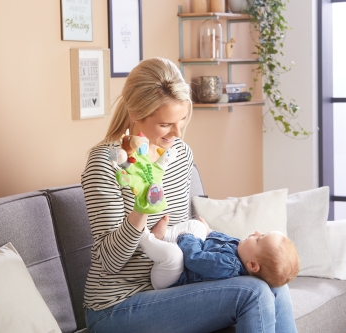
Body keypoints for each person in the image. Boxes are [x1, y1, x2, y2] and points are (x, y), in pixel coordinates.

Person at [81, 57, 298, 333]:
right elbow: (109, 263)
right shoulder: (106, 163)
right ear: (135, 114)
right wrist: (141, 210)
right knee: (252, 292)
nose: (177, 132)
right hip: (116, 305)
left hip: (173, 286)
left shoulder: (180, 154)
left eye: (182, 120)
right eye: (165, 124)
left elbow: (185, 239)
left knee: (274, 284)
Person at [139, 218, 300, 290]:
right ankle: (164, 236)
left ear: (252, 265)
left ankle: (143, 237)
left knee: (174, 255)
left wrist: (186, 237)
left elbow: (195, 259)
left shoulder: (228, 266)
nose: (256, 232)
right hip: (186, 252)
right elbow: (221, 238)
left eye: (259, 239)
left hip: (170, 279)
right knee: (198, 226)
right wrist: (208, 231)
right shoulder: (242, 249)